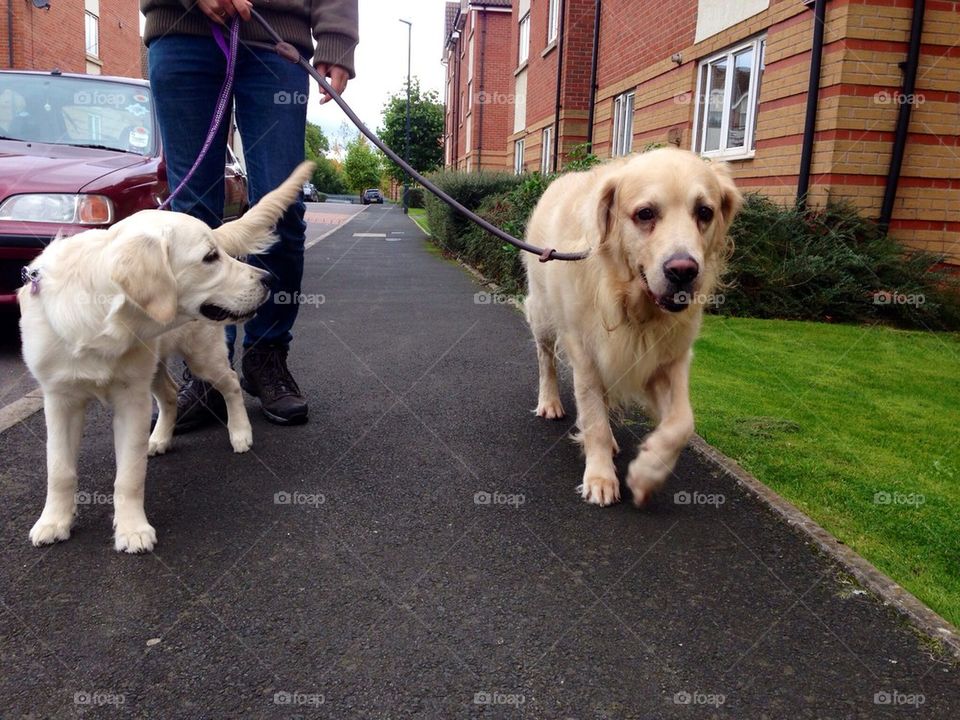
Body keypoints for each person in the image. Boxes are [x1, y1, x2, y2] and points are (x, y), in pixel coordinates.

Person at [141, 0, 358, 426]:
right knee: (191, 218)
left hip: (275, 37)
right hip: (181, 29)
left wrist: (336, 37)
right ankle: (206, 369)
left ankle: (266, 356)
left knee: (281, 209)